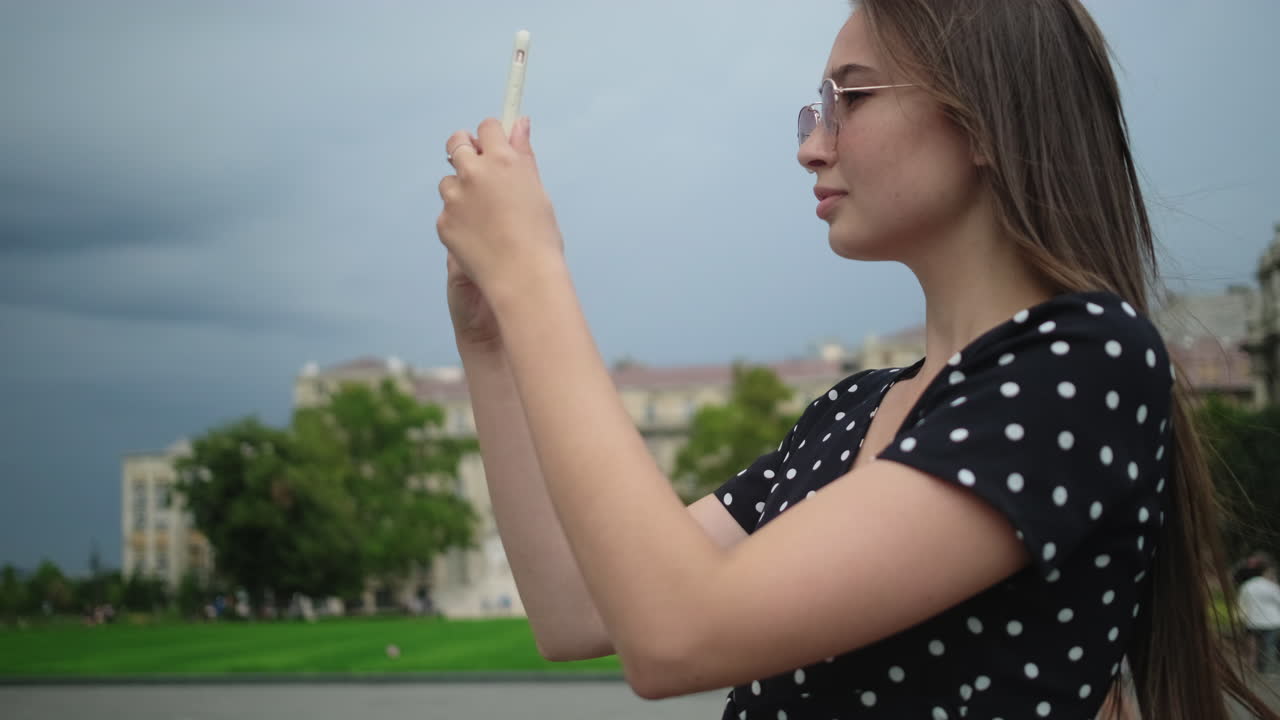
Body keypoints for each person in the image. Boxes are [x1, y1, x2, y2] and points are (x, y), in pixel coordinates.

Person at [434, 1, 1276, 717]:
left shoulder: (1087, 362)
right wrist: (492, 339)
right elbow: (573, 611)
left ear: (986, 119)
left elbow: (676, 636)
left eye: (851, 99)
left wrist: (533, 273)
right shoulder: (849, 412)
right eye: (815, 111)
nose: (812, 145)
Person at [1239, 553, 1280, 674]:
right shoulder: (1272, 586)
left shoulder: (1247, 585)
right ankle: (1266, 672)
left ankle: (1251, 670)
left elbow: (1242, 603)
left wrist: (1243, 618)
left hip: (1252, 621)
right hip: (1271, 622)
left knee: (1253, 648)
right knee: (1268, 647)